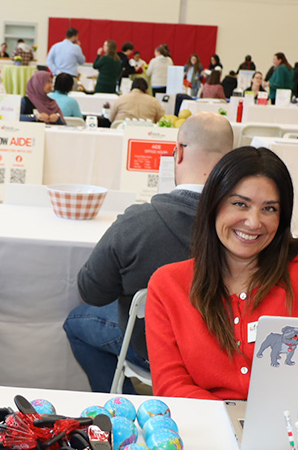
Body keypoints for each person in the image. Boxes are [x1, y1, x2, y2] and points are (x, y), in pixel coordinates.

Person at [146, 146, 298, 400]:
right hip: (210, 429)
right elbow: (171, 387)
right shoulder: (168, 284)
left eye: (269, 209)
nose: (253, 222)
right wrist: (236, 426)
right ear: (214, 205)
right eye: (240, 204)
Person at [64, 113, 235, 393]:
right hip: (227, 350)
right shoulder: (249, 226)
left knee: (77, 321)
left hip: (153, 348)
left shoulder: (138, 222)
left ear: (177, 154)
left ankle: (124, 405)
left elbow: (92, 292)